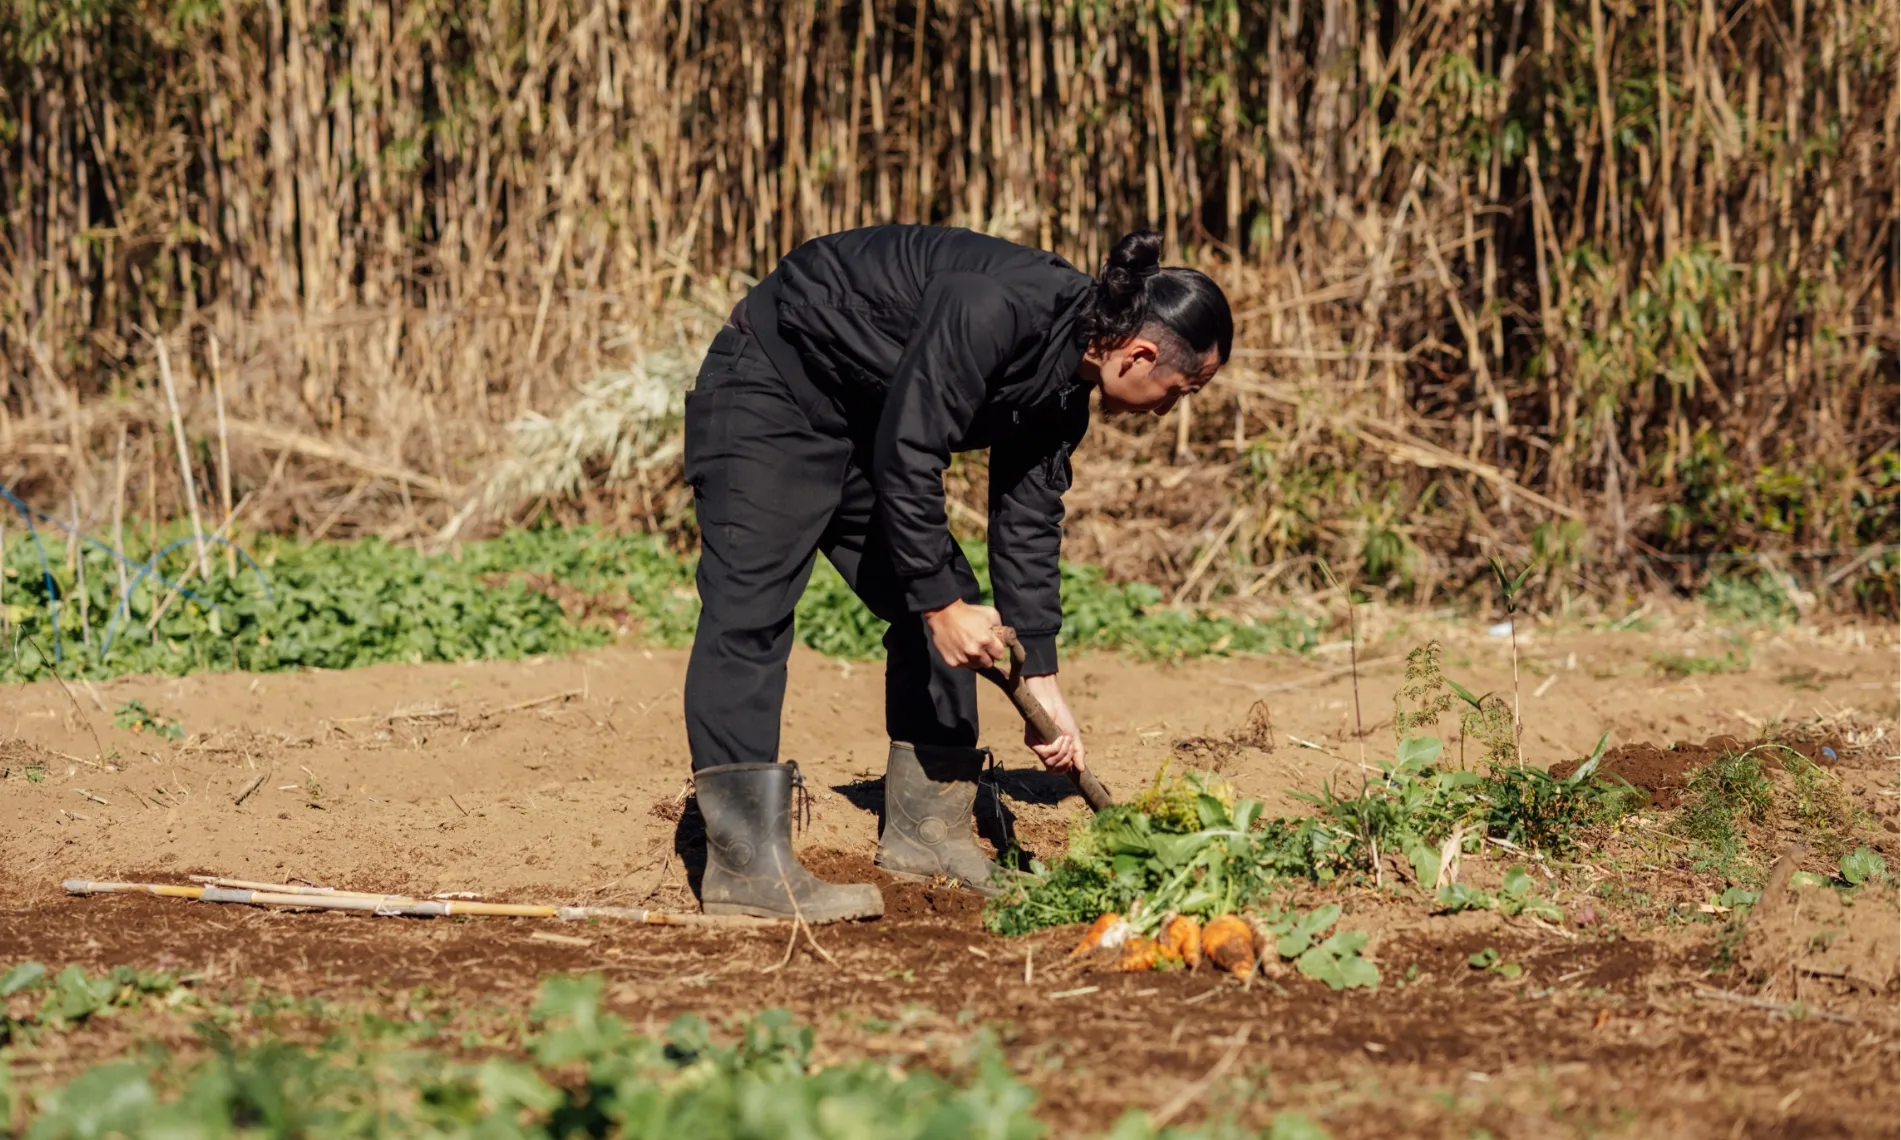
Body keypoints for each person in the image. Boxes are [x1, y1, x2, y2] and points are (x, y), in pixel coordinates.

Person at [683, 225, 1232, 921]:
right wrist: (936, 601)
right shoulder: (993, 308)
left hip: (868, 421)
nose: (1169, 408)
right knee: (750, 611)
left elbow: (1027, 519)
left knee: (954, 606)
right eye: (1177, 390)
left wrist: (1042, 676)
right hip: (775, 386)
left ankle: (929, 834)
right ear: (1141, 353)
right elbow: (913, 452)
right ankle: (746, 871)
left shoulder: (1066, 383)